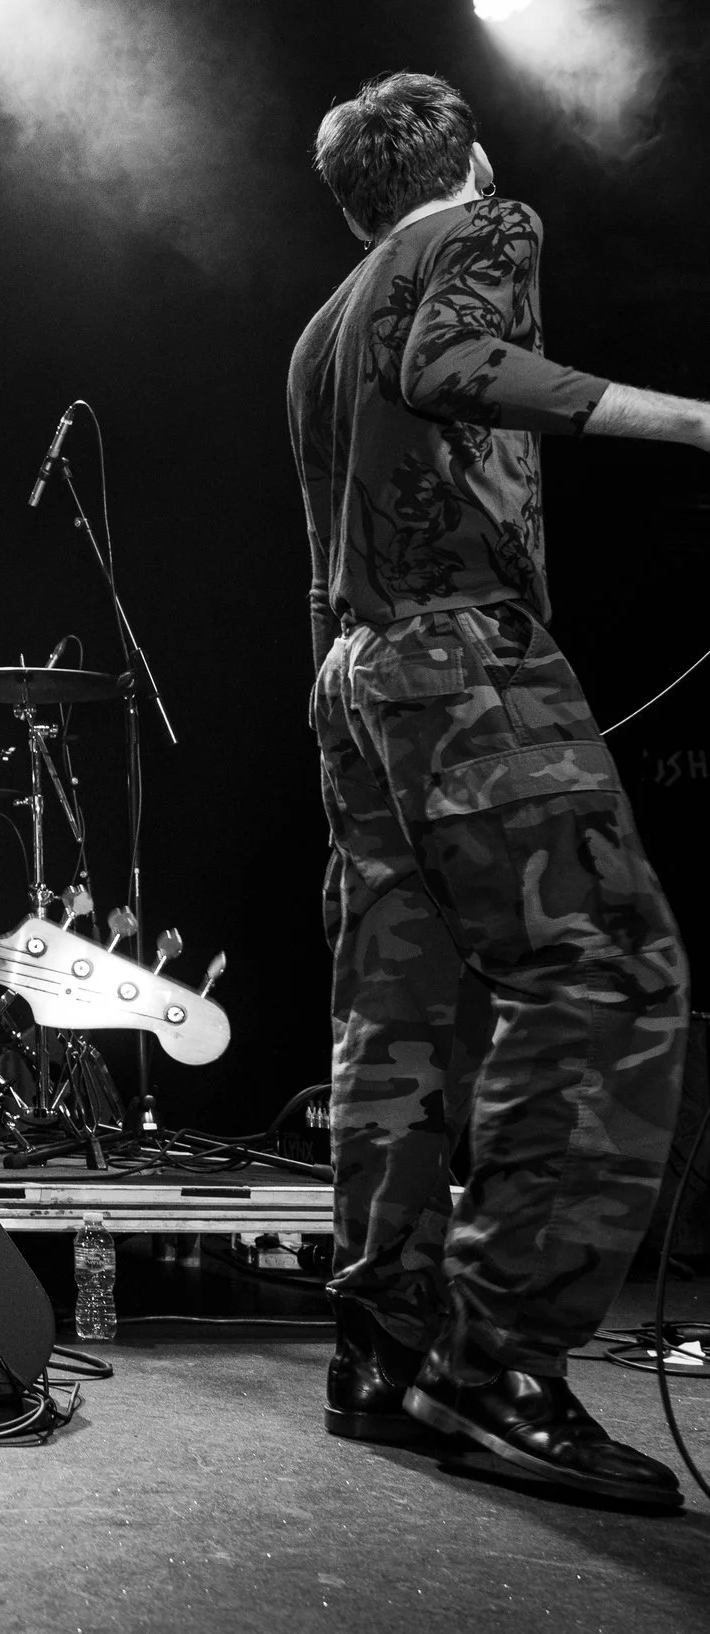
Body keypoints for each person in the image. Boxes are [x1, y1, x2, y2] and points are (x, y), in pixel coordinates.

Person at [292, 71, 709, 1508]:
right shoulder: (485, 222)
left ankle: (383, 1349)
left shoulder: (320, 325)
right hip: (461, 653)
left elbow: (337, 524)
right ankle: (499, 1362)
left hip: (356, 674)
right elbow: (451, 367)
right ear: (465, 157)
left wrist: (354, 703)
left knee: (396, 1014)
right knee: (607, 973)